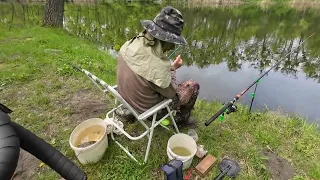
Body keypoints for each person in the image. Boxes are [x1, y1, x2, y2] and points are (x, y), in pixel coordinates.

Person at [116, 6, 200, 126]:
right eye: (173, 42)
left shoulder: (129, 44)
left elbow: (147, 68)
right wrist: (172, 70)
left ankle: (129, 114)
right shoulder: (159, 67)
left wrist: (170, 67)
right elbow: (172, 93)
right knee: (193, 86)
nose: (173, 46)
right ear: (167, 40)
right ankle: (181, 120)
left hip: (126, 99)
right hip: (148, 112)